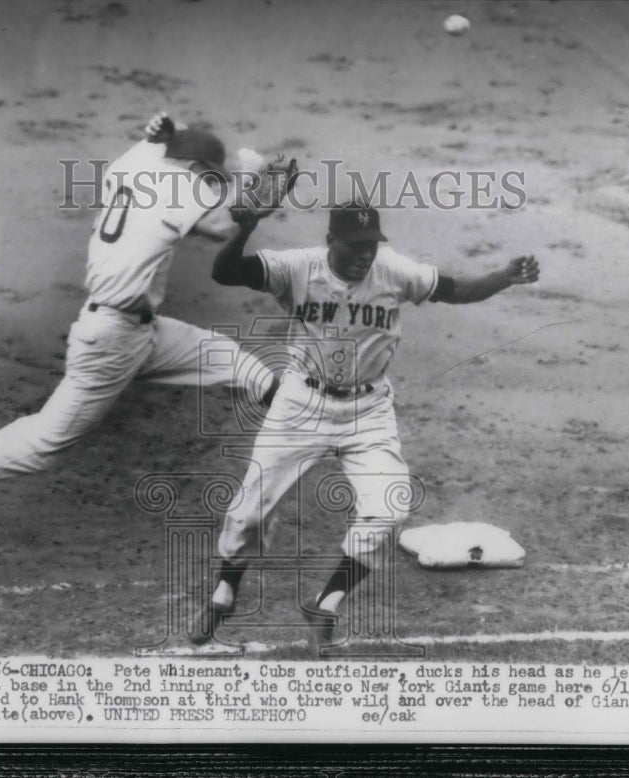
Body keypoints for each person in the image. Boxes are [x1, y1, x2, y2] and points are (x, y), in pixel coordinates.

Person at [0, 113, 277, 547]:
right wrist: (251, 174)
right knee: (44, 442)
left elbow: (166, 142)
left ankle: (303, 416)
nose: (211, 187)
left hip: (138, 331)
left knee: (228, 358)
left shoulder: (132, 165)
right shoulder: (179, 187)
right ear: (196, 169)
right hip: (113, 342)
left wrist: (165, 131)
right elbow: (220, 226)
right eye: (210, 179)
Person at [190, 202, 539, 646]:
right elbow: (225, 272)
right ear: (330, 241)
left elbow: (455, 290)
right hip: (300, 404)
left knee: (389, 509)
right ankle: (223, 594)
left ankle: (326, 603)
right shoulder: (297, 267)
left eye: (371, 246)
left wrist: (505, 276)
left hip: (368, 411)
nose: (364, 255)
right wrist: (247, 227)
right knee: (250, 509)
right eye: (354, 247)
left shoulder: (394, 271)